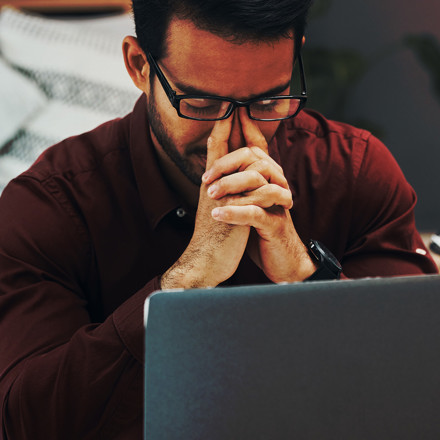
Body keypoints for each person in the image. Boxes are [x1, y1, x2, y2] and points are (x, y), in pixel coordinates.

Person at [0, 0, 437, 438]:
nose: (234, 133)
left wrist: (304, 276)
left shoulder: (354, 172)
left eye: (268, 100)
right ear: (138, 65)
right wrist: (182, 286)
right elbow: (23, 423)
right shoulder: (51, 205)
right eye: (201, 103)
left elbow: (420, 385)